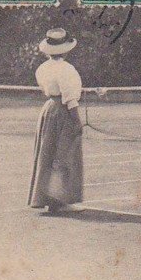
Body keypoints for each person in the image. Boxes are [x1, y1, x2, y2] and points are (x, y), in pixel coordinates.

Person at [28, 29, 85, 214]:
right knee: (65, 154)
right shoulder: (67, 69)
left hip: (49, 109)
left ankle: (48, 199)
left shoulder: (42, 68)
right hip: (63, 111)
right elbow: (69, 97)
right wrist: (77, 121)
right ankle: (59, 201)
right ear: (66, 50)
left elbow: (46, 89)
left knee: (48, 153)